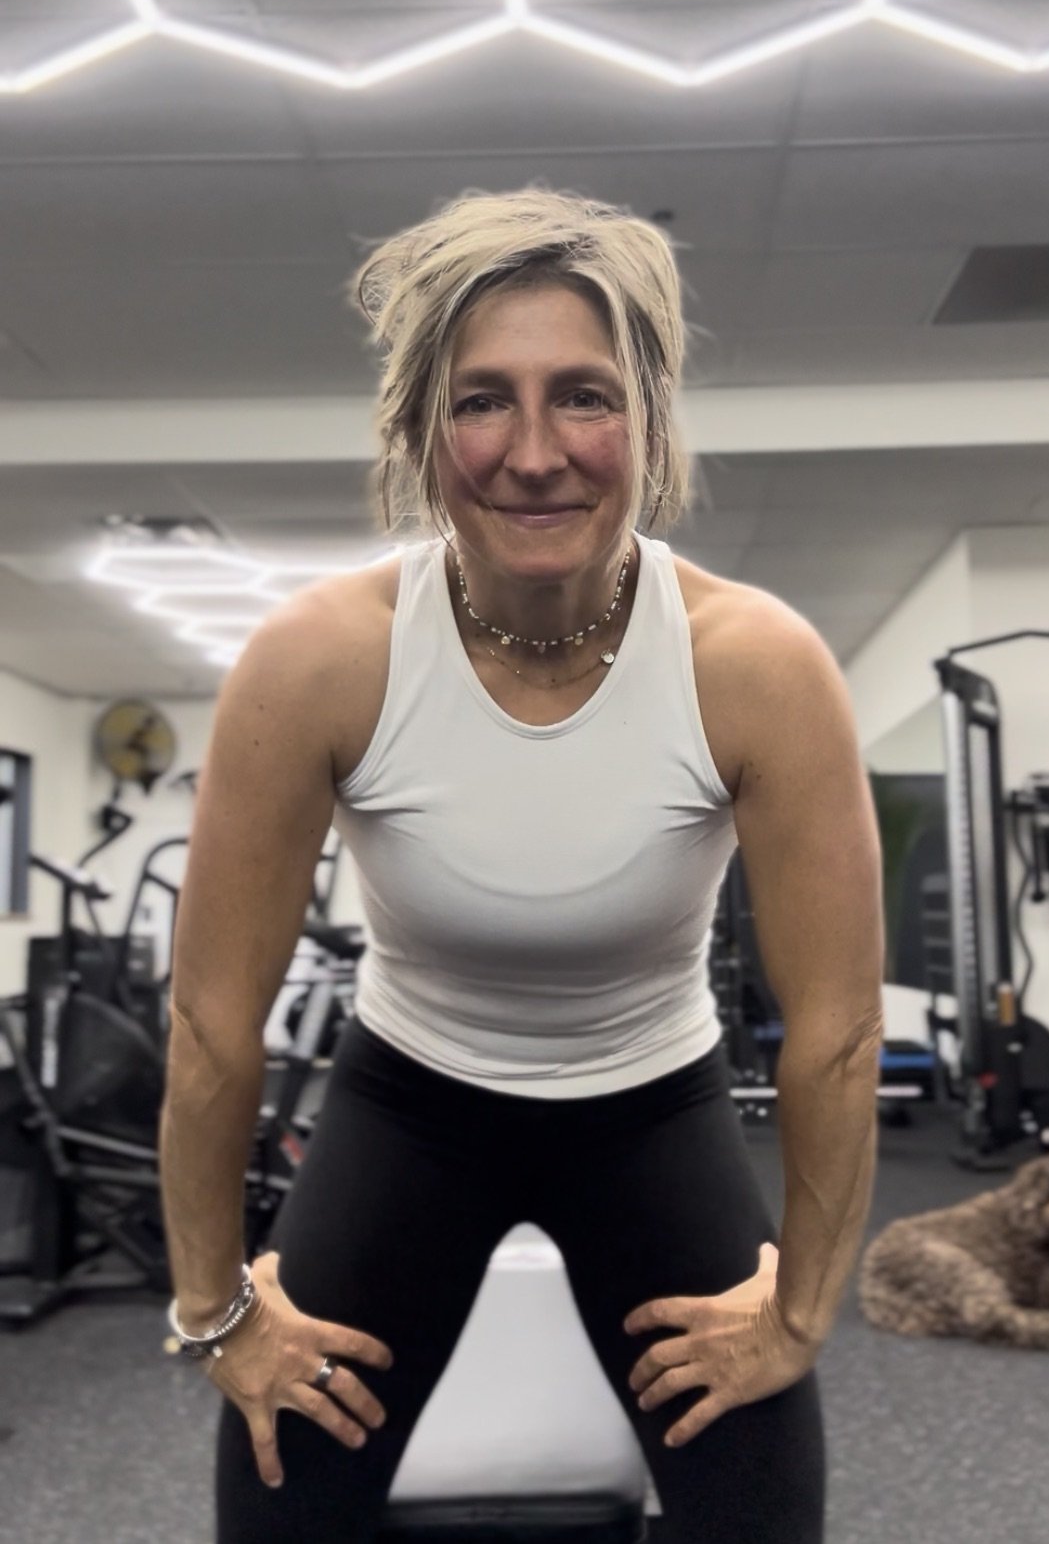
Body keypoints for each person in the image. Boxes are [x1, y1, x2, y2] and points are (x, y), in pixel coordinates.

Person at [159, 188, 884, 1544]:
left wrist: (799, 1310)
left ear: (648, 422)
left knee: (760, 1511)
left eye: (584, 397)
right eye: (482, 400)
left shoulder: (755, 666)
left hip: (652, 1103)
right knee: (280, 1496)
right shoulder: (321, 659)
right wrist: (215, 1311)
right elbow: (210, 1022)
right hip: (408, 1103)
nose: (535, 454)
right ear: (419, 430)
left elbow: (838, 1031)